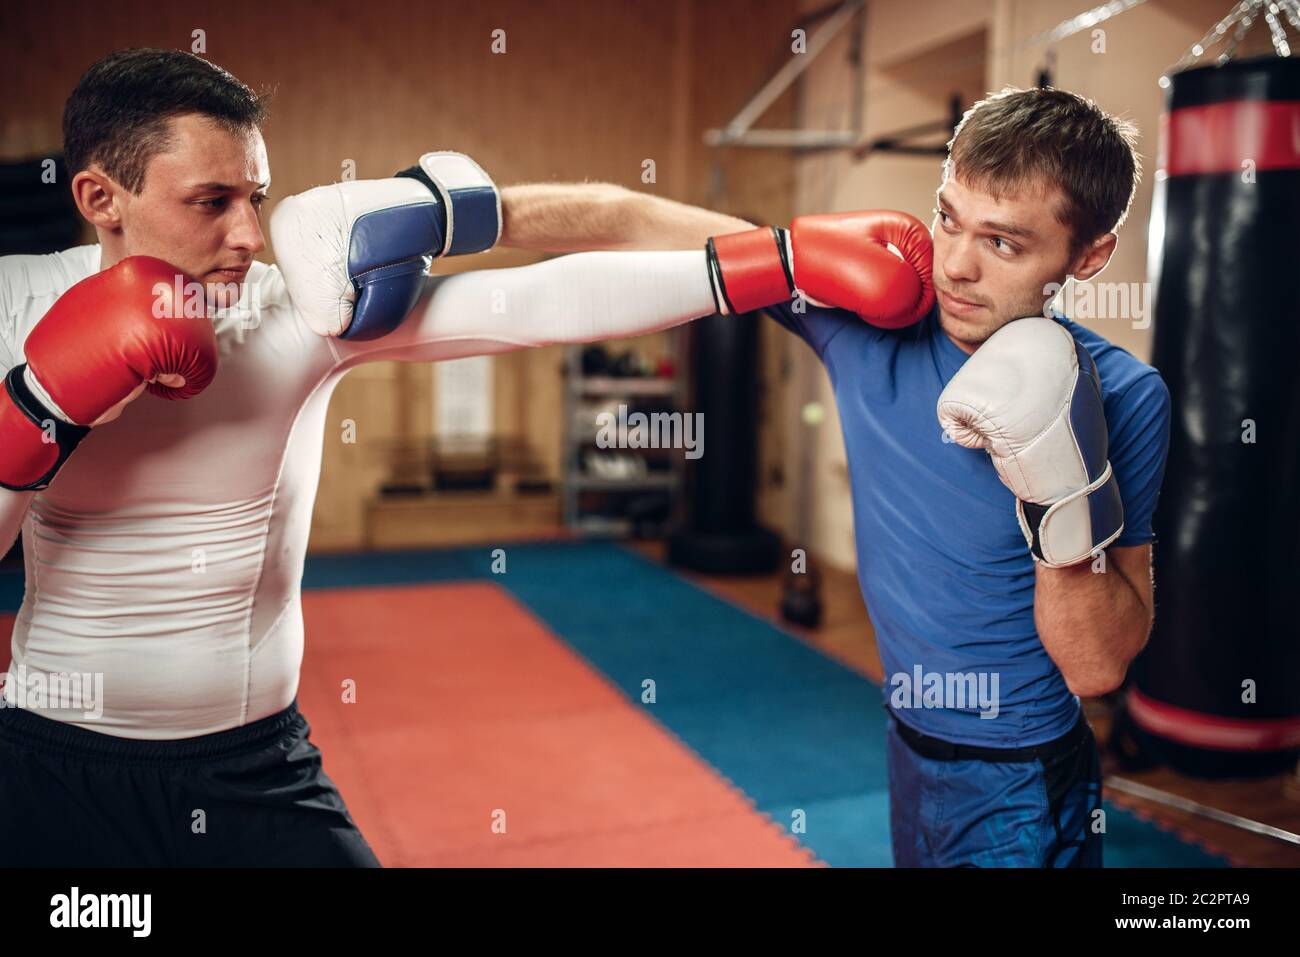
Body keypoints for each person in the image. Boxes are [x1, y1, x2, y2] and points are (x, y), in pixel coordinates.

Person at [0, 48, 916, 866]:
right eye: (211, 202)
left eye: (256, 199)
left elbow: (535, 303)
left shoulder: (295, 314)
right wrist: (37, 409)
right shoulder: (13, 307)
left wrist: (779, 260)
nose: (247, 235)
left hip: (250, 768)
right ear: (99, 199)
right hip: (50, 761)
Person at [561, 86, 1172, 867]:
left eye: (1004, 244)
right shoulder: (865, 322)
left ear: (1088, 257)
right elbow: (634, 221)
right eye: (948, 217)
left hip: (1020, 774)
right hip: (905, 743)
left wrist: (1059, 486)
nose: (955, 264)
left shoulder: (1122, 396)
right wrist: (453, 216)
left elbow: (1098, 664)